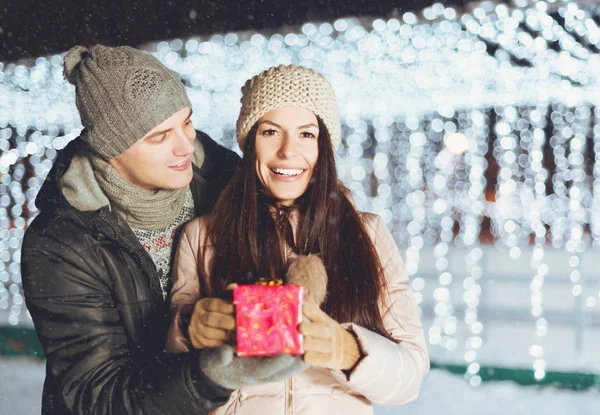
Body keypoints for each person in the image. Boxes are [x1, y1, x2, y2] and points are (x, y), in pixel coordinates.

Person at [21, 45, 305, 415]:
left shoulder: (225, 179)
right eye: (159, 137)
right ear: (111, 149)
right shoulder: (61, 243)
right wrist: (208, 375)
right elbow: (99, 394)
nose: (185, 145)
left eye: (187, 121)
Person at [166, 64, 430, 414]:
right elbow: (169, 374)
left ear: (324, 146)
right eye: (271, 132)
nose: (288, 151)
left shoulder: (367, 233)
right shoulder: (202, 235)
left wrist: (347, 350)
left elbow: (410, 377)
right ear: (250, 142)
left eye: (306, 134)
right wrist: (187, 328)